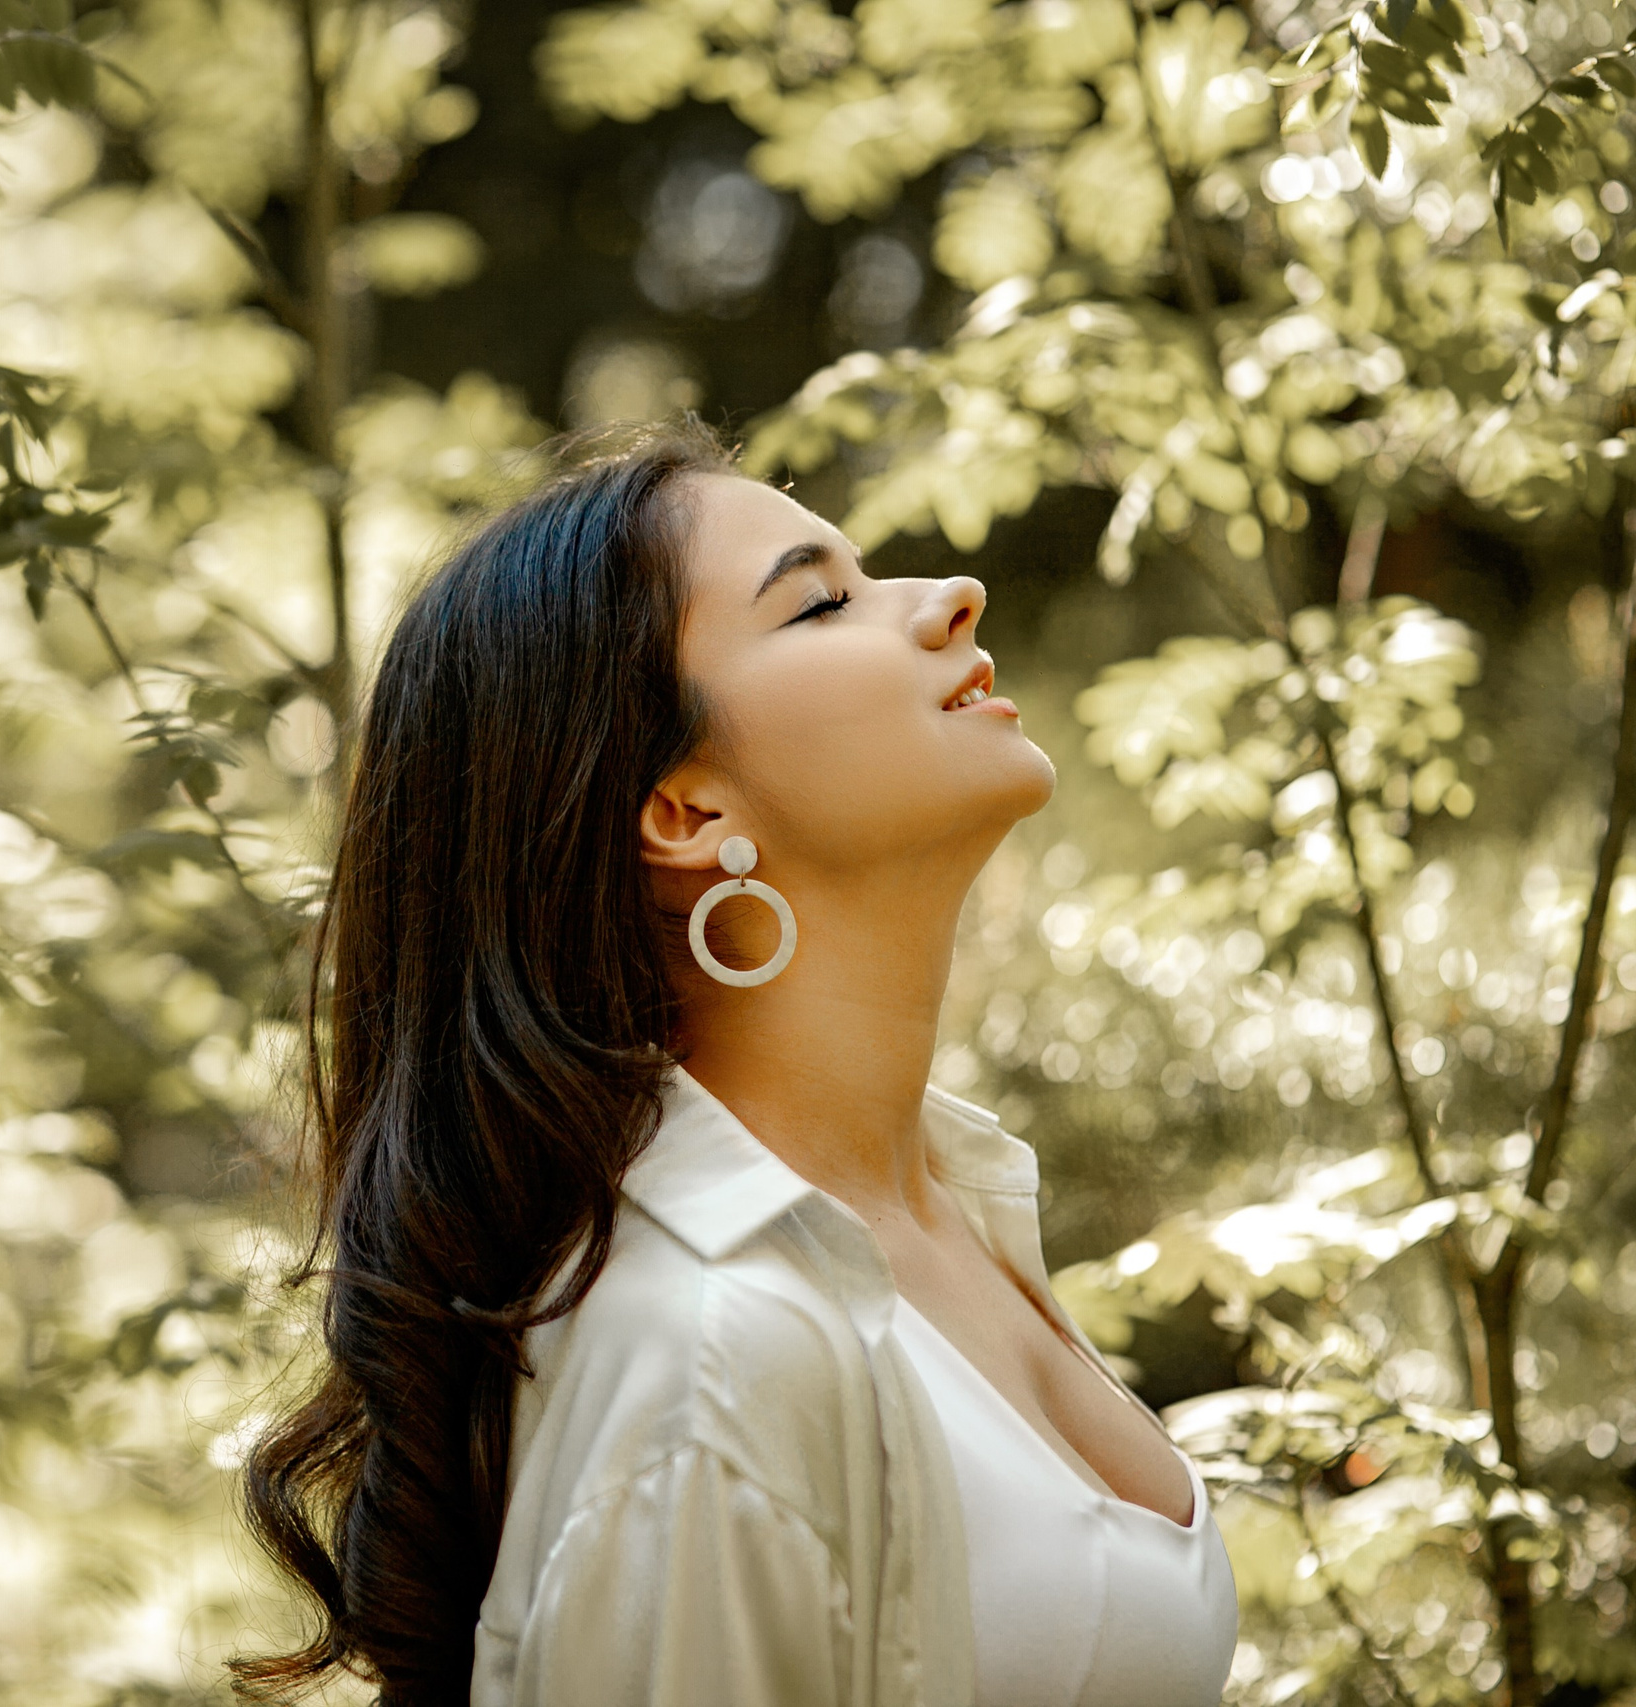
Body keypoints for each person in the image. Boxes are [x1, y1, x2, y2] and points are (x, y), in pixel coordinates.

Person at [231, 424, 1238, 1707]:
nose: (948, 598)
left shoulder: (949, 1201)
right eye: (821, 603)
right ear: (685, 810)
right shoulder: (715, 1353)